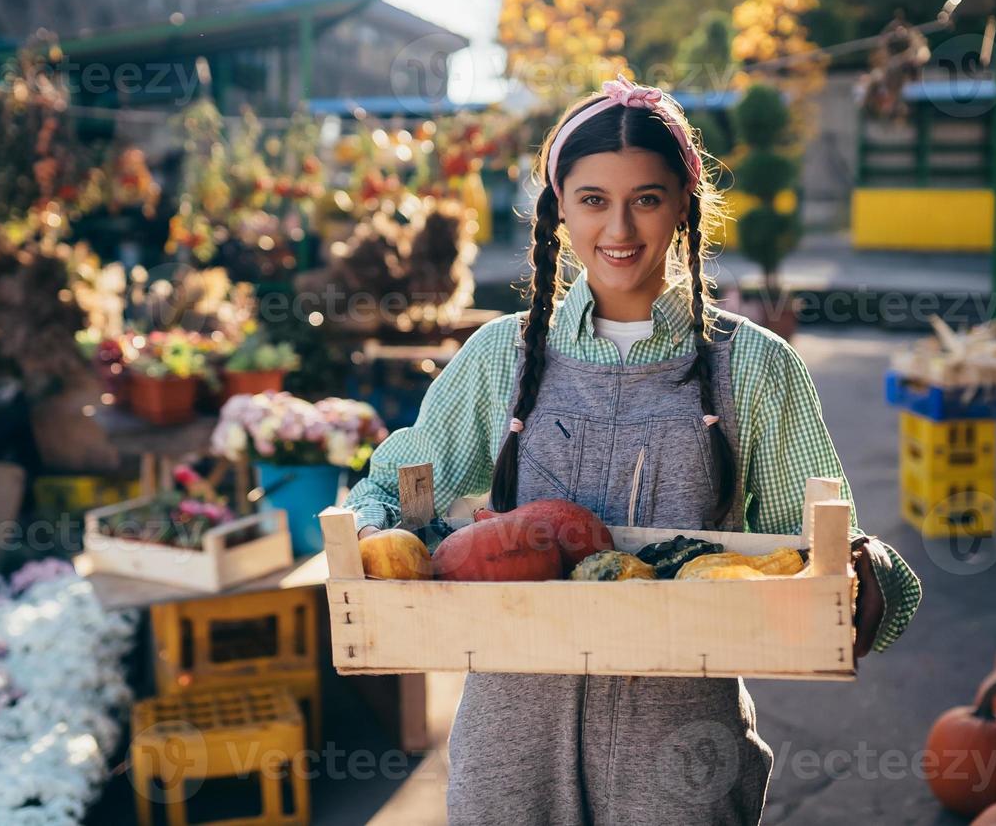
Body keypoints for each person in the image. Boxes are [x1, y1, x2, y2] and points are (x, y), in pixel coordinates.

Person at [344, 75, 922, 825]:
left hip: (683, 749)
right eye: (592, 200)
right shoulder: (498, 358)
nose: (618, 228)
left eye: (645, 198)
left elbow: (819, 544)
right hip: (510, 741)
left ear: (685, 202)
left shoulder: (754, 365)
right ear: (559, 209)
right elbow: (392, 486)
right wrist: (367, 528)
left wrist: (856, 573)